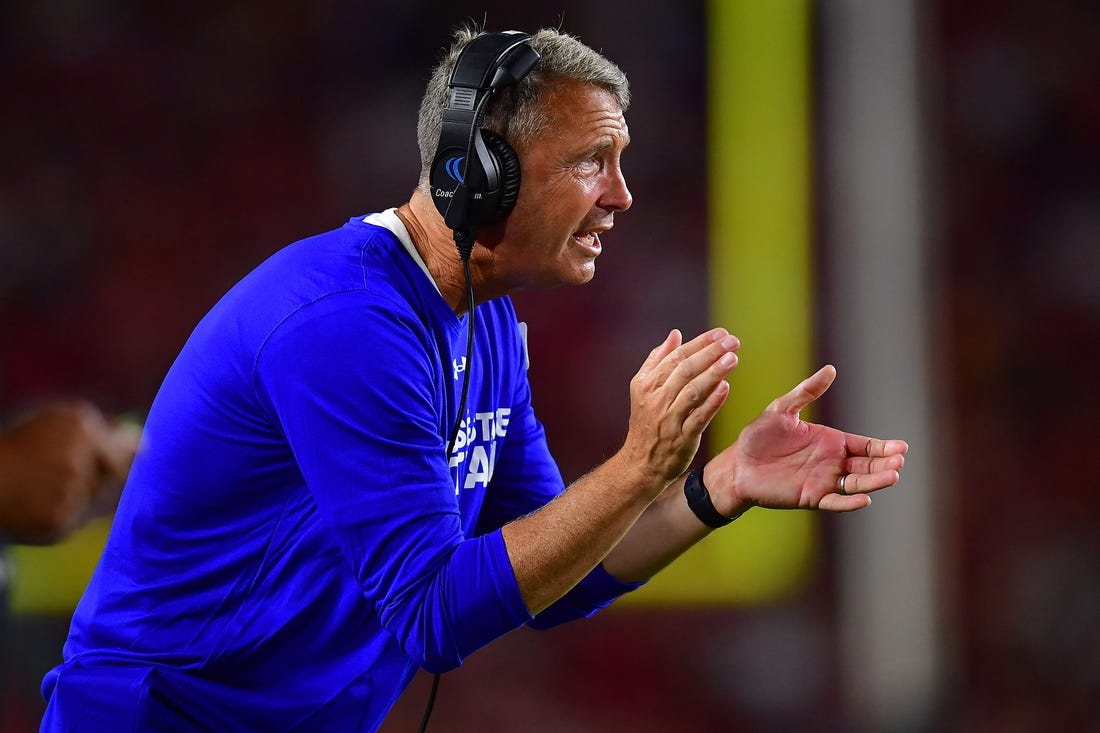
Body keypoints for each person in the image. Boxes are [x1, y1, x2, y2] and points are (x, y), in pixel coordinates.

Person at [40, 25, 908, 732]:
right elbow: (431, 612)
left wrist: (716, 486)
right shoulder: (347, 324)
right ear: (476, 173)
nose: (622, 195)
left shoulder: (485, 319)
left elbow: (552, 578)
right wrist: (636, 465)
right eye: (589, 161)